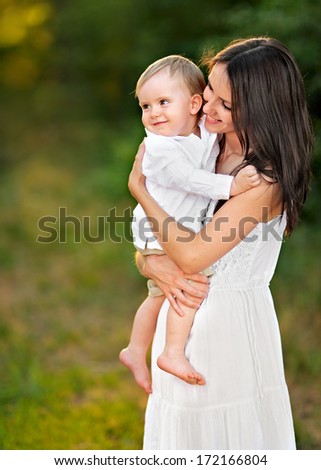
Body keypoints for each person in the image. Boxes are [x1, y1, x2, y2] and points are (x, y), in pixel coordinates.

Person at [128, 37, 312, 449]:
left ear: (260, 109)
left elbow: (191, 254)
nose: (208, 106)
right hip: (179, 314)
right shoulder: (201, 148)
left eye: (225, 105)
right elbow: (162, 238)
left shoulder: (264, 180)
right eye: (210, 89)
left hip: (228, 332)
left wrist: (140, 190)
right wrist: (147, 262)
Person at [119, 55, 259, 394]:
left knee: (157, 296)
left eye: (163, 102)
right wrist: (232, 186)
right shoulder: (159, 147)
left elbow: (206, 153)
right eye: (145, 106)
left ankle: (136, 350)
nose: (153, 113)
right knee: (189, 287)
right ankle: (171, 352)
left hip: (173, 231)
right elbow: (189, 179)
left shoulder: (201, 133)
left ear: (193, 104)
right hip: (159, 232)